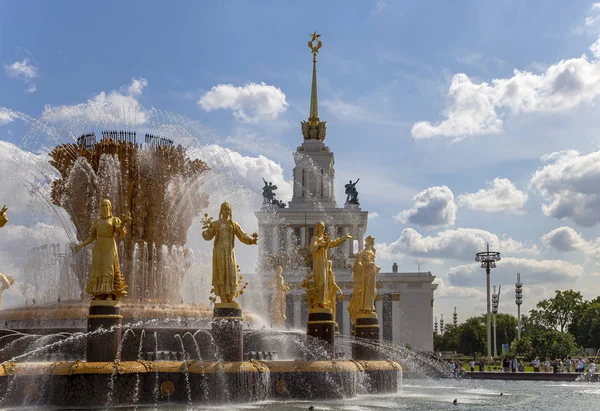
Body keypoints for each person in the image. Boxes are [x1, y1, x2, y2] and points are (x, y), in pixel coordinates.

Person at [73, 199, 130, 300]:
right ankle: (99, 293)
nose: (104, 207)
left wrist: (123, 223)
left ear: (110, 208)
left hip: (109, 246)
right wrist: (82, 245)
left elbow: (120, 233)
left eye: (106, 205)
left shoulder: (114, 219)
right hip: (98, 247)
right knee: (98, 269)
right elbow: (92, 236)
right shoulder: (97, 221)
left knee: (108, 268)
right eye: (102, 205)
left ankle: (108, 293)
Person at [202, 202, 258, 304]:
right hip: (219, 252)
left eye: (229, 209)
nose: (227, 211)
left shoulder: (234, 224)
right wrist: (206, 232)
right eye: (225, 209)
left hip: (229, 252)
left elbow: (242, 235)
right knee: (221, 273)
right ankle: (223, 298)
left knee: (231, 273)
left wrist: (251, 240)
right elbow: (209, 236)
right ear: (221, 211)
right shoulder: (216, 224)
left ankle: (230, 298)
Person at [309, 222, 351, 308]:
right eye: (321, 227)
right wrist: (321, 244)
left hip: (324, 263)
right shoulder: (315, 238)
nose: (323, 229)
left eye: (324, 227)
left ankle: (322, 301)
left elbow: (333, 243)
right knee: (321, 283)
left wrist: (344, 238)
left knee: (325, 283)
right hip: (318, 263)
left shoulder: (324, 239)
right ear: (317, 228)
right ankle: (319, 302)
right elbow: (312, 248)